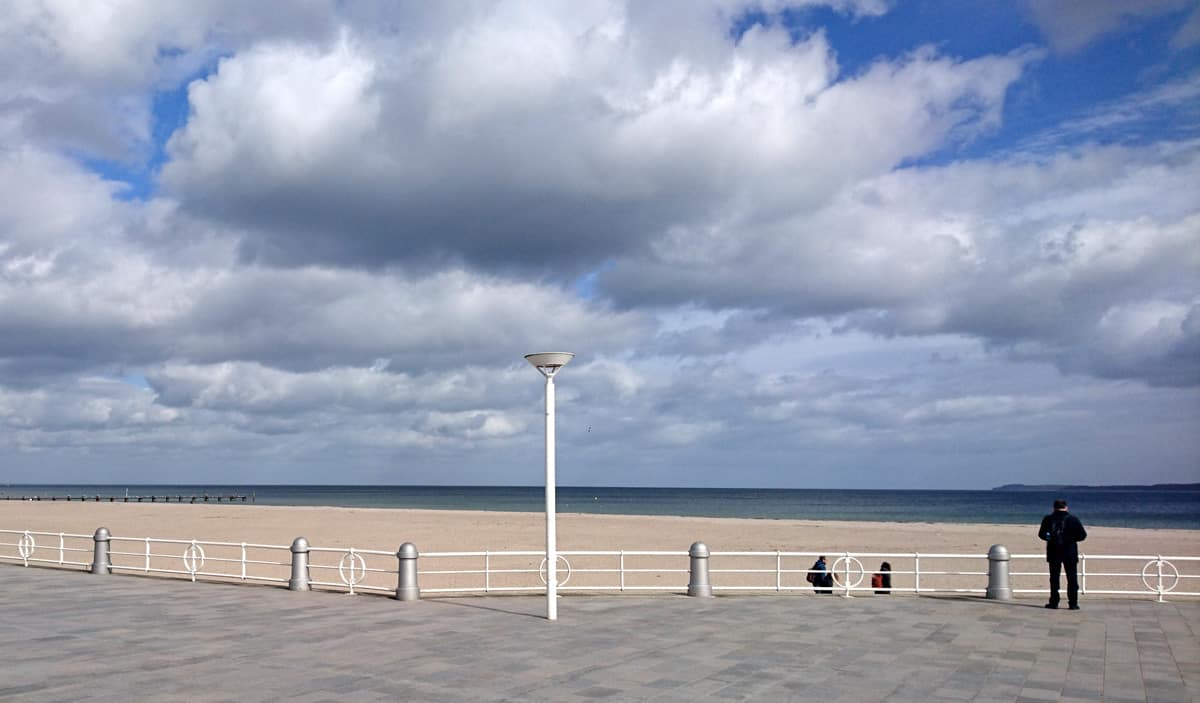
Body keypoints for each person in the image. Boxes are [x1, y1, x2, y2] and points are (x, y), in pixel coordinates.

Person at [1038, 498, 1087, 610]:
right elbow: (1082, 535)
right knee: (1072, 578)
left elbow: (1041, 534)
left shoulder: (1048, 519)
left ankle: (1054, 602)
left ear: (1054, 507)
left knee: (1054, 578)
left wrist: (1050, 538)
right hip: (1069, 551)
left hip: (1054, 551)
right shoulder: (1073, 519)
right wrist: (1071, 539)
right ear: (1066, 507)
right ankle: (1073, 603)